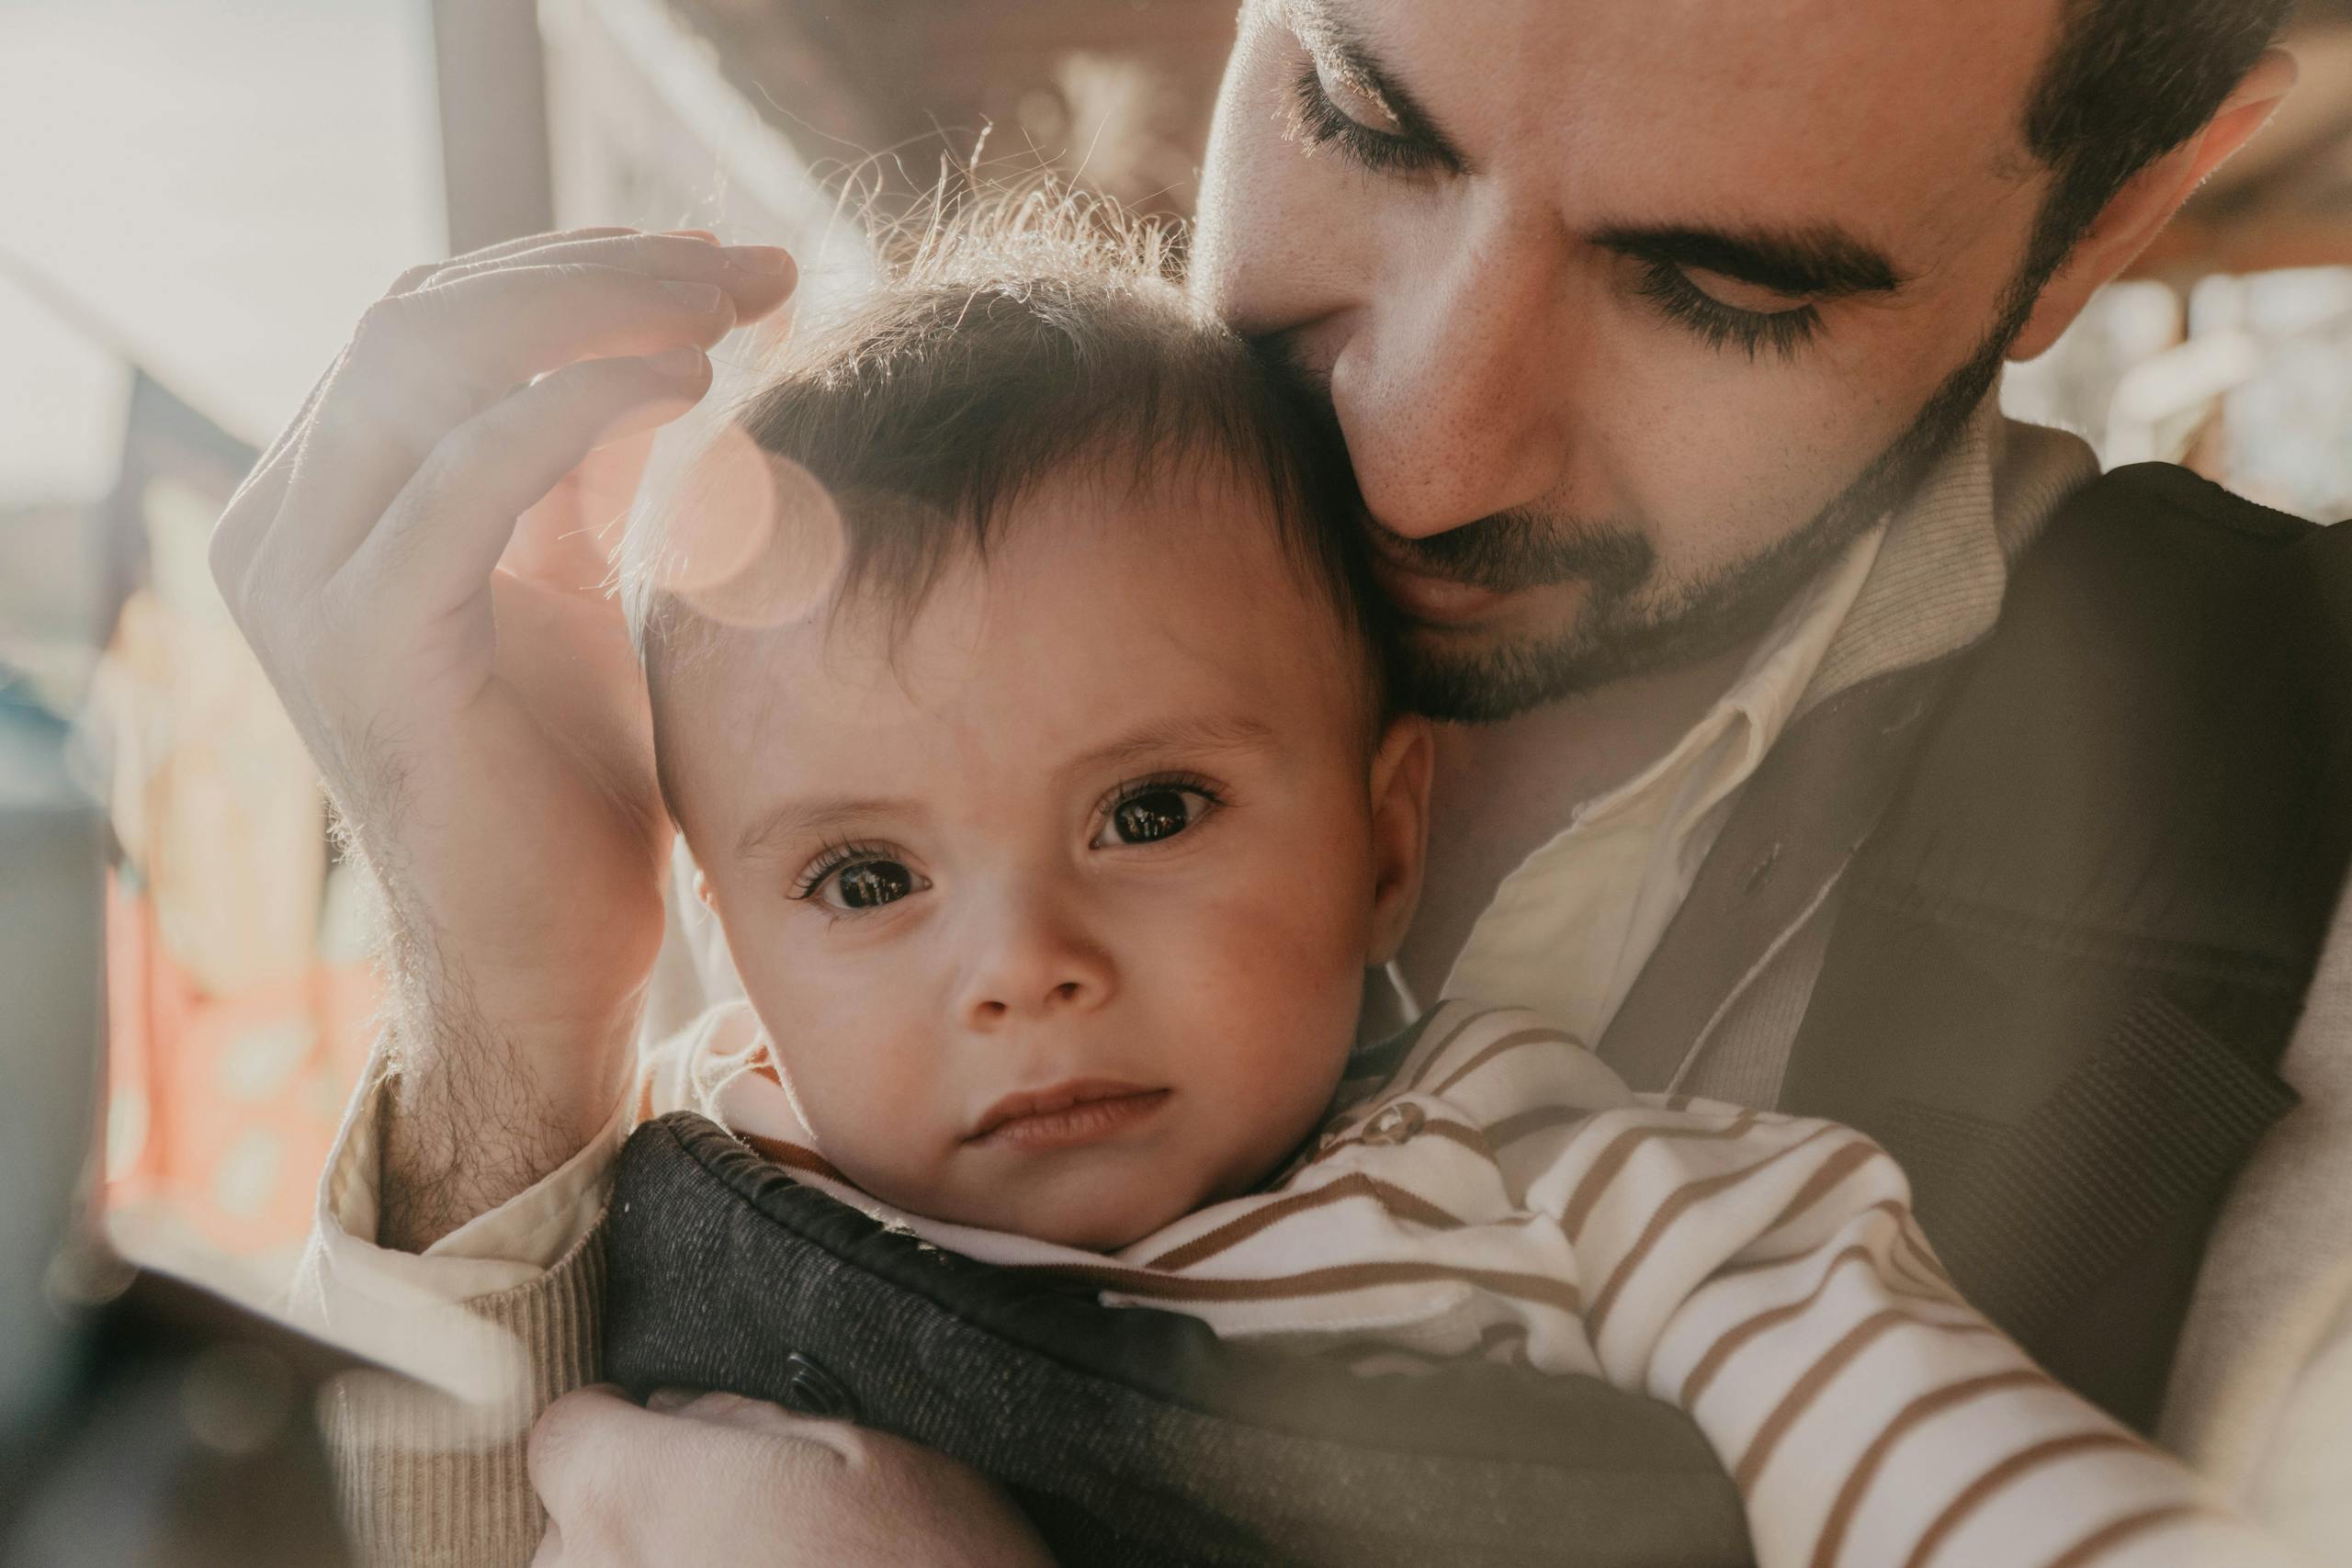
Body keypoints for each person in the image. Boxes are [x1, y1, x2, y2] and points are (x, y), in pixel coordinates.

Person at [209, 0, 2352, 1562]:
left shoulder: (2264, 886)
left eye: (1716, 286)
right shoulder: (754, 899)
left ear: (2111, 219)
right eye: (1358, 115)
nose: (1412, 448)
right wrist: (507, 1027)